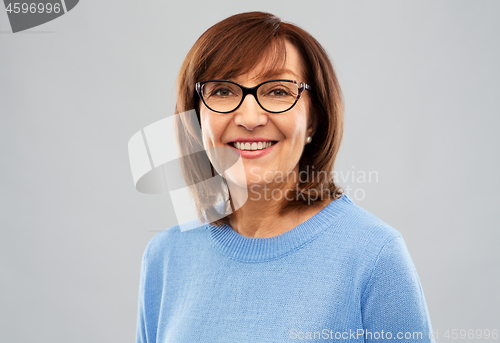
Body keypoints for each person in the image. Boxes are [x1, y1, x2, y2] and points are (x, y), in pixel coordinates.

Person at [135, 11, 435, 342]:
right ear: (196, 118)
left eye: (278, 90)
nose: (249, 118)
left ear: (314, 120)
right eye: (222, 91)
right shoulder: (165, 257)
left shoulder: (375, 256)